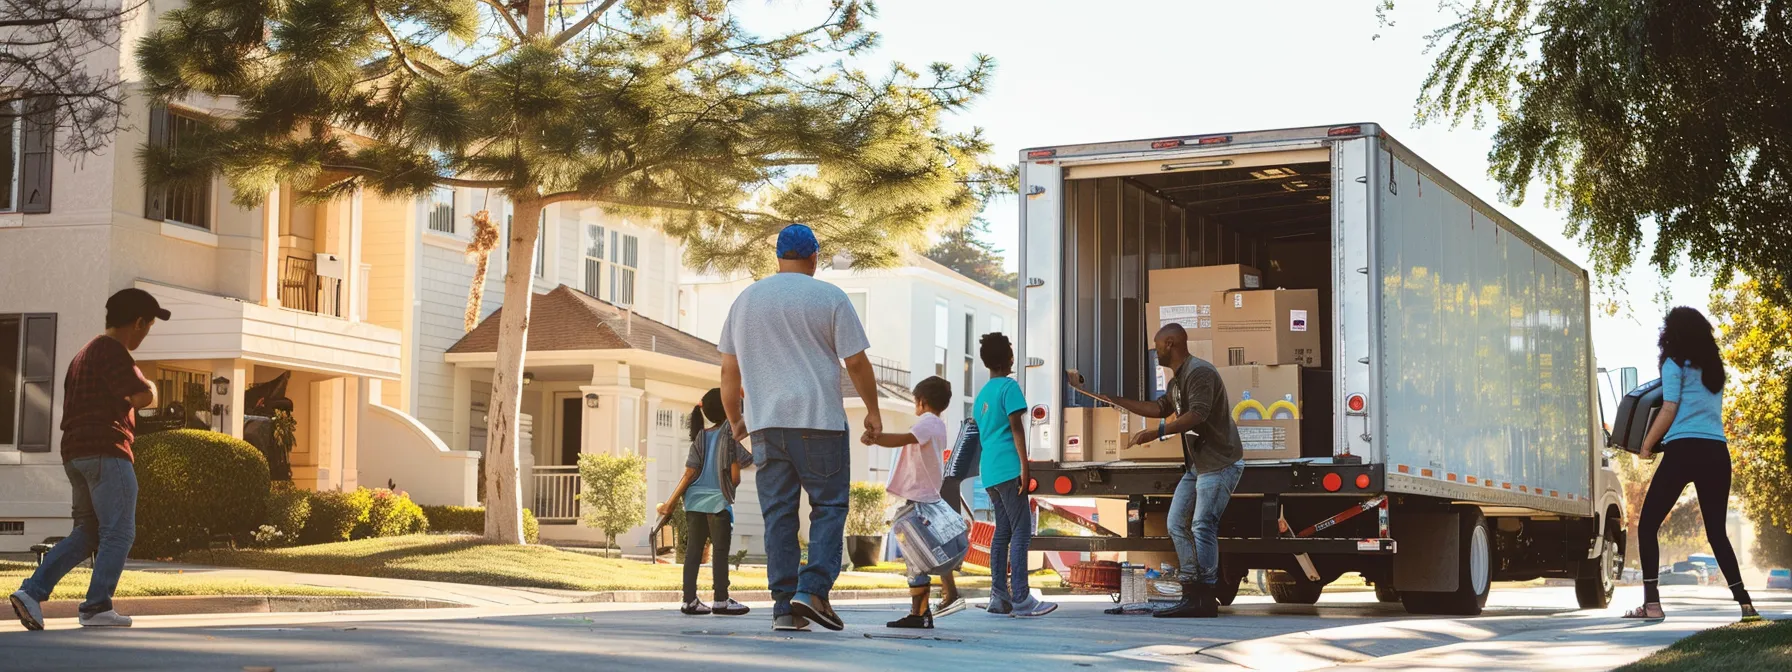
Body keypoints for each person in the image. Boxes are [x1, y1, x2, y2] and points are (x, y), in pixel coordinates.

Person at [717, 223, 883, 633]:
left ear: (777, 257)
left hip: (767, 427)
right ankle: (812, 591)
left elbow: (728, 371)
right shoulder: (829, 296)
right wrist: (873, 410)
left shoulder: (745, 301)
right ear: (814, 258)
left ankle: (783, 608)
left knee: (779, 515)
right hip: (819, 422)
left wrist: (737, 421)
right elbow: (856, 363)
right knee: (827, 508)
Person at [10, 288, 170, 630]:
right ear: (138, 322)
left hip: (76, 453)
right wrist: (153, 389)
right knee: (120, 532)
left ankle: (31, 592)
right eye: (149, 326)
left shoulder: (83, 355)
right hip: (107, 451)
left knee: (88, 532)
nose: (146, 333)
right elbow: (142, 395)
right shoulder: (114, 352)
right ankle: (97, 606)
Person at [1067, 323, 1243, 618]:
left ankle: (1204, 595)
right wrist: (1115, 400)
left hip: (1219, 462)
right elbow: (1159, 407)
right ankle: (1191, 589)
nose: (1155, 350)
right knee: (1176, 523)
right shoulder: (1177, 380)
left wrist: (1157, 433)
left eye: (1157, 345)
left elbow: (1196, 415)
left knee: (1202, 525)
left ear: (1171, 343)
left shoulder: (1200, 372)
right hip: (1198, 465)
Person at [1625, 307, 1760, 623]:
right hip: (1716, 452)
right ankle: (1746, 605)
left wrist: (1646, 446)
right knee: (1716, 533)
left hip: (1684, 450)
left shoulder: (1674, 365)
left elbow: (1669, 409)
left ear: (1672, 334)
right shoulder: (1714, 370)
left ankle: (1652, 605)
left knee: (1647, 526)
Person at [862, 376, 965, 628]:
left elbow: (902, 439)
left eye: (914, 401)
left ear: (922, 401)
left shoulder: (927, 423)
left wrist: (876, 438)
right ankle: (926, 610)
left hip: (919, 500)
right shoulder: (938, 424)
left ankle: (920, 614)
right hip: (925, 497)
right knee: (920, 554)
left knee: (914, 557)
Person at [972, 332, 1058, 618]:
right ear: (1007, 358)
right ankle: (1021, 597)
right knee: (1021, 531)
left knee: (1003, 531)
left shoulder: (982, 394)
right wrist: (1025, 466)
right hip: (1010, 467)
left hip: (990, 471)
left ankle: (998, 596)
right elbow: (1016, 428)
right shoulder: (1009, 388)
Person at [657, 389, 754, 617]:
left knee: (693, 551)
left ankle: (689, 601)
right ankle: (721, 600)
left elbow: (690, 472)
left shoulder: (701, 435)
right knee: (720, 552)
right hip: (718, 501)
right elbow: (738, 474)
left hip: (694, 500)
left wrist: (671, 502)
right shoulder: (730, 433)